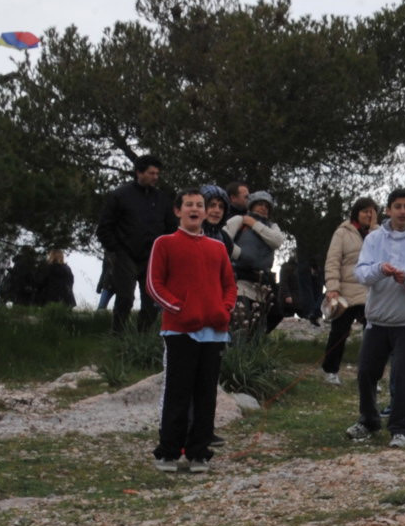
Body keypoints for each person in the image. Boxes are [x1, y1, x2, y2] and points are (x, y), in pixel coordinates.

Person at [144, 187, 236, 473]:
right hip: (180, 331)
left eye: (200, 204)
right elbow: (154, 284)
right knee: (178, 392)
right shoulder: (164, 243)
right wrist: (178, 309)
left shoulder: (218, 247)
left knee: (206, 394)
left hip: (214, 331)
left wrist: (224, 310)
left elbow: (229, 285)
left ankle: (199, 453)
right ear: (178, 210)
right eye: (189, 205)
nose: (195, 209)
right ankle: (169, 452)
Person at [348, 190, 405, 448]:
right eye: (397, 206)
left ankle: (401, 428)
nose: (402, 211)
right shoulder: (374, 238)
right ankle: (368, 420)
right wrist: (380, 269)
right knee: (366, 372)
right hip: (376, 319)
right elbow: (361, 273)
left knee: (401, 376)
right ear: (387, 210)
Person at [95, 154, 177, 332]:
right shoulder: (120, 195)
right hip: (125, 255)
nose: (155, 177)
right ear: (139, 172)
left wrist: (166, 251)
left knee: (152, 301)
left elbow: (171, 227)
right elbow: (104, 227)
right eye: (151, 173)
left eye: (157, 173)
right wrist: (115, 249)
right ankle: (117, 334)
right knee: (125, 297)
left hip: (152, 256)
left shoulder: (162, 199)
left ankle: (142, 337)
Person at [321, 198, 378, 385]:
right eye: (364, 211)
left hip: (370, 291)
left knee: (373, 336)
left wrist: (375, 228)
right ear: (356, 212)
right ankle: (330, 370)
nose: (368, 215)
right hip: (346, 291)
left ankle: (371, 376)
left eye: (372, 211)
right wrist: (332, 288)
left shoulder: (379, 234)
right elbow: (333, 260)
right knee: (339, 333)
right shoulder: (342, 233)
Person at [222, 190, 287, 339]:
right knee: (240, 324)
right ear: (252, 205)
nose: (263, 208)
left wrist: (255, 224)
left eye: (266, 205)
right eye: (259, 204)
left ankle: (253, 353)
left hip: (262, 284)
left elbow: (277, 241)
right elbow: (223, 240)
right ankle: (236, 356)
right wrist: (240, 255)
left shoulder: (272, 226)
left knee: (273, 316)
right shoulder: (239, 220)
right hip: (240, 281)